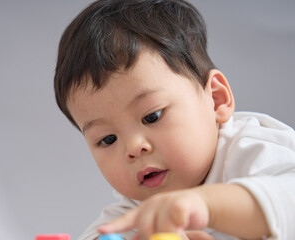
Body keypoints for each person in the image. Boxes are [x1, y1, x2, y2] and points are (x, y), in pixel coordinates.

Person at [53, 0, 295, 239]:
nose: (134, 148)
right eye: (107, 139)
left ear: (217, 100)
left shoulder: (254, 151)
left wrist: (206, 206)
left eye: (152, 116)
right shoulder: (137, 208)